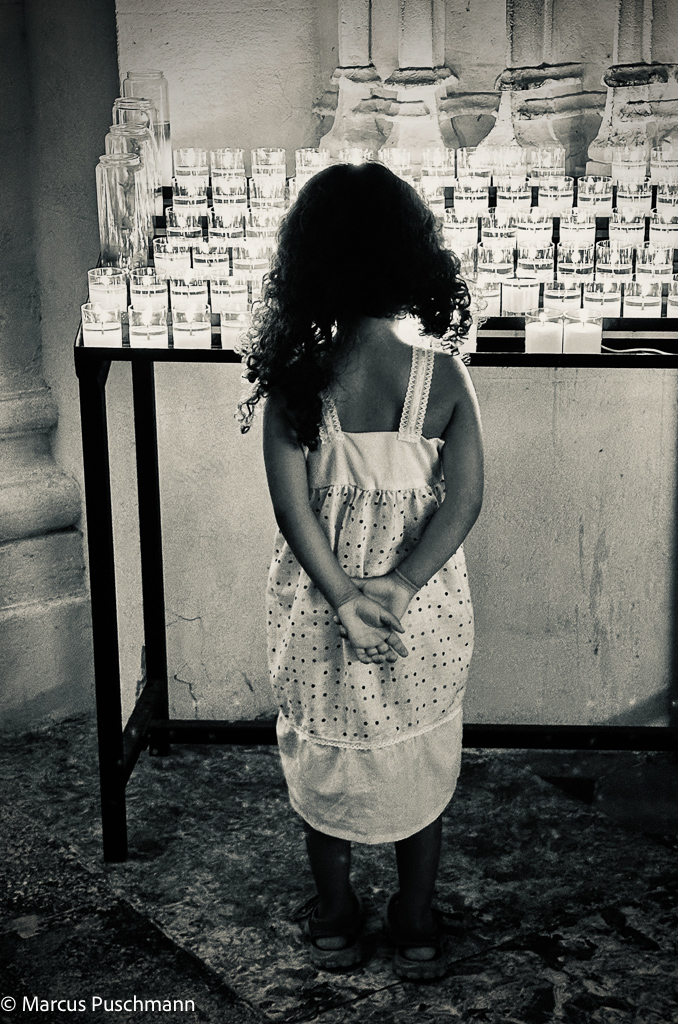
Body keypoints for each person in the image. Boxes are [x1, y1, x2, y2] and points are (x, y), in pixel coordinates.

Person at [236, 161, 484, 980]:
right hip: (419, 613)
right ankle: (415, 921)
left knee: (328, 754)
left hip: (320, 615)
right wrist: (401, 585)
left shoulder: (298, 385)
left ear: (306, 265)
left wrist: (343, 594)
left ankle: (338, 917)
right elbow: (464, 502)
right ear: (414, 260)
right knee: (417, 756)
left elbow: (292, 510)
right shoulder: (443, 376)